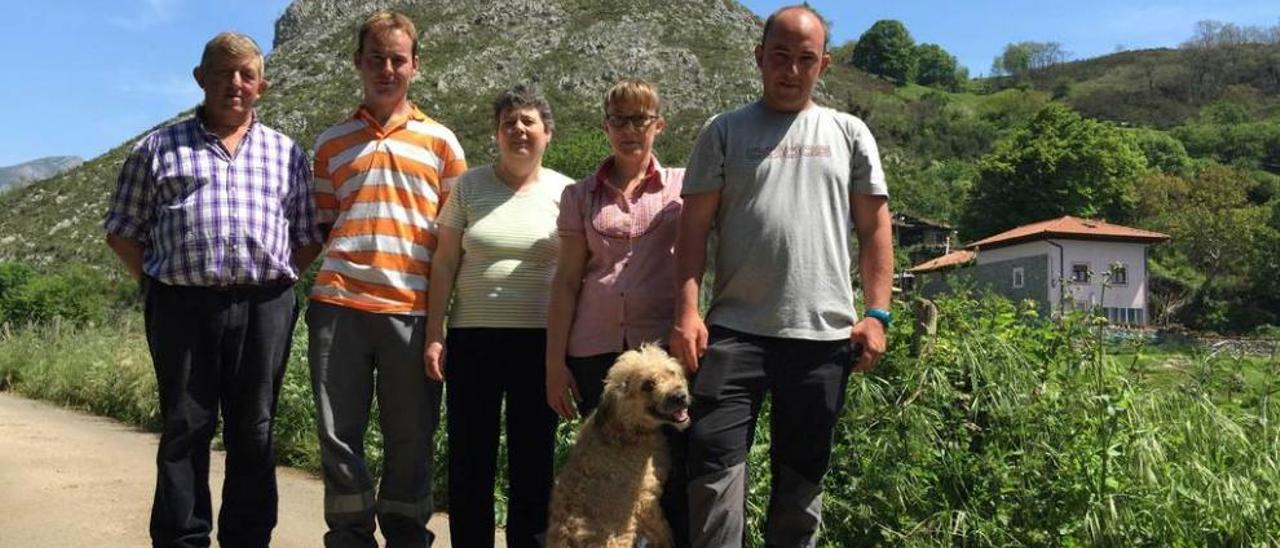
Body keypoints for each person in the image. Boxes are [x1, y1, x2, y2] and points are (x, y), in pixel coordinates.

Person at [669, 5, 894, 547]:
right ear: (759, 57)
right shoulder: (722, 131)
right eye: (780, 56)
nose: (791, 70)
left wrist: (877, 313)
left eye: (805, 59)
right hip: (733, 333)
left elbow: (875, 229)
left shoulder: (849, 132)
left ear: (825, 65)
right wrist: (687, 312)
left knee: (802, 479)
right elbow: (693, 231)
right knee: (712, 468)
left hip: (822, 338)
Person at [103, 32, 321, 548]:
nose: (235, 84)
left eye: (246, 75)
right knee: (184, 428)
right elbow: (121, 231)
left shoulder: (286, 152)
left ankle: (248, 539)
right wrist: (158, 285)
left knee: (256, 430)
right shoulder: (157, 148)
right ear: (201, 79)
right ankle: (182, 539)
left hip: (264, 304)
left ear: (261, 86)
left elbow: (309, 235)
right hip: (181, 306)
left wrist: (276, 278)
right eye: (223, 73)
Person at [306, 11, 466, 547]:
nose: (387, 69)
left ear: (415, 66)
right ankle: (349, 535)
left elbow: (453, 241)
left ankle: (406, 533)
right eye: (376, 58)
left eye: (398, 59)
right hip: (339, 307)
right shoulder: (330, 144)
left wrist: (441, 320)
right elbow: (327, 224)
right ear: (358, 64)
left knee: (412, 436)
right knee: (337, 434)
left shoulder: (442, 144)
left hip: (412, 311)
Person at [424, 85, 574, 548]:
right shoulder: (469, 186)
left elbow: (574, 275)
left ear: (547, 133)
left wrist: (566, 350)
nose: (518, 130)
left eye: (528, 121)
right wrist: (435, 333)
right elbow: (445, 262)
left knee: (533, 461)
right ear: (496, 134)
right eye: (509, 122)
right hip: (473, 340)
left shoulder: (566, 191)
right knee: (471, 460)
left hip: (540, 345)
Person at [544, 78, 689, 547]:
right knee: (609, 485)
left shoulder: (683, 186)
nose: (630, 130)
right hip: (596, 356)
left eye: (640, 119)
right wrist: (554, 363)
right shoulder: (579, 196)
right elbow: (566, 281)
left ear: (658, 125)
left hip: (662, 355)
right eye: (619, 120)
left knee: (670, 479)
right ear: (606, 127)